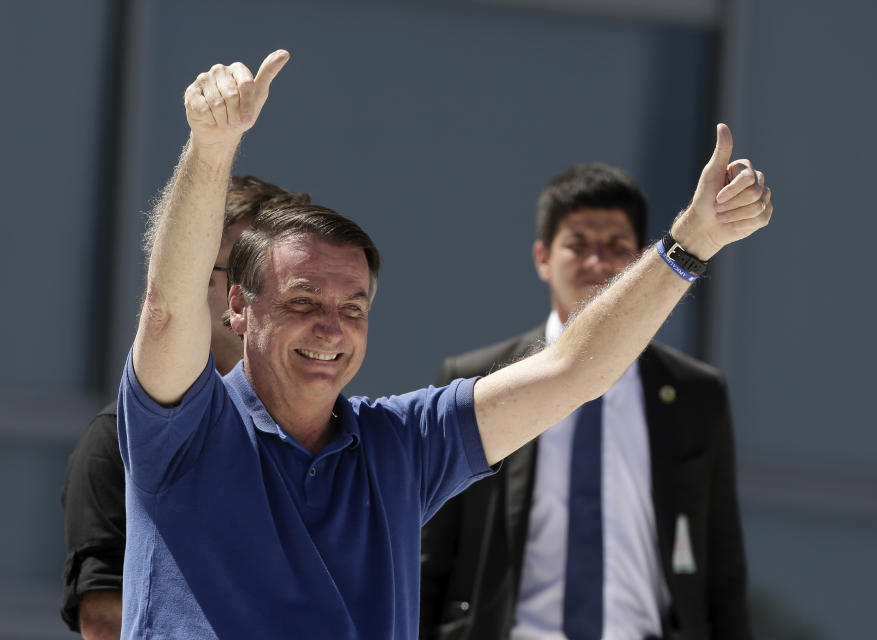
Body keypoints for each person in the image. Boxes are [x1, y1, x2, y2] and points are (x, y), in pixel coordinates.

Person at [117, 49, 771, 639]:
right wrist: (211, 147)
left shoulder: (400, 444)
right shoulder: (182, 430)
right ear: (238, 305)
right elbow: (167, 312)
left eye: (353, 307)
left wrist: (690, 246)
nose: (331, 327)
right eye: (301, 302)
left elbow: (573, 369)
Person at [420, 164, 755, 640]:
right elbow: (430, 561)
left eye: (618, 248)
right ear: (542, 258)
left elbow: (721, 567)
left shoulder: (695, 394)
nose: (598, 264)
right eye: (578, 244)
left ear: (643, 260)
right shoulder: (481, 380)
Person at [60, 175, 310, 639]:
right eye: (244, 270)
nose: (266, 293)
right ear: (192, 277)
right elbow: (104, 618)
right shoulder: (117, 436)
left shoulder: (322, 428)